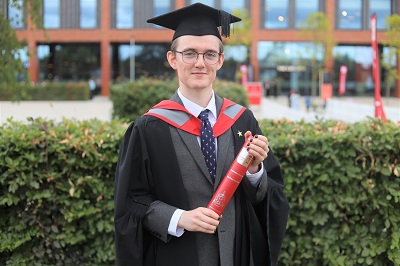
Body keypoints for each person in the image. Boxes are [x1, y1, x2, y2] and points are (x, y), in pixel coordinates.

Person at [114, 3, 289, 266]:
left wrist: (255, 172)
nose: (200, 63)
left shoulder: (242, 120)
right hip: (177, 256)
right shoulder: (149, 128)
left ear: (220, 59)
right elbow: (130, 203)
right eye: (189, 53)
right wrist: (178, 218)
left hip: (235, 255)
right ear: (173, 59)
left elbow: (270, 195)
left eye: (209, 54)